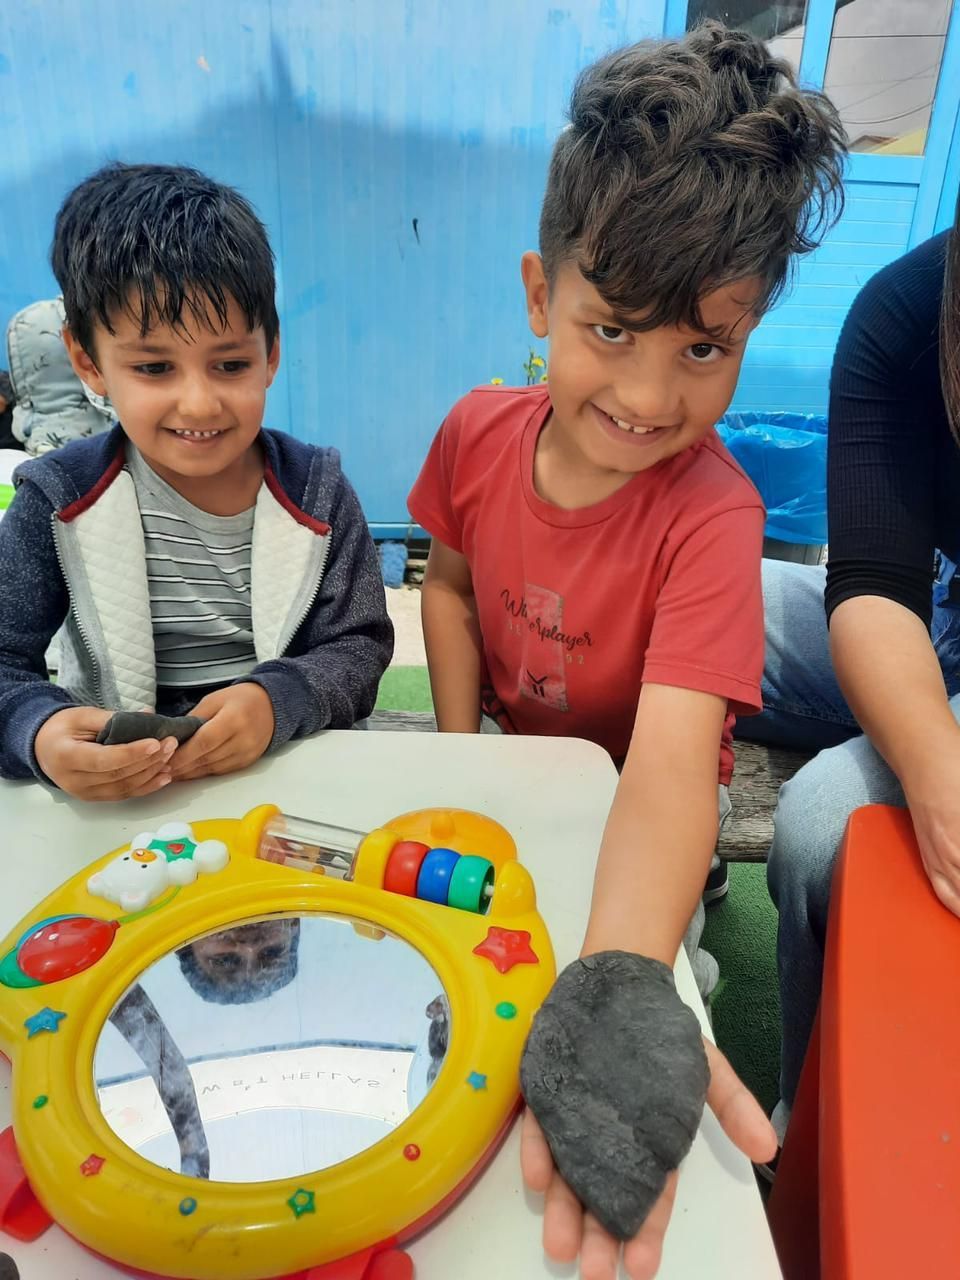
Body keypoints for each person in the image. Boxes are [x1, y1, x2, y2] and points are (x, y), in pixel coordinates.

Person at [408, 22, 845, 1278]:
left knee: (651, 997)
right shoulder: (474, 434)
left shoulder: (714, 516)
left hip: (650, 823)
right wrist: (464, 754)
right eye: (611, 331)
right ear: (540, 296)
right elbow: (447, 587)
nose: (652, 399)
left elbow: (667, 766)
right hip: (515, 779)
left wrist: (620, 971)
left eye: (705, 349)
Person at [0, 163, 393, 799]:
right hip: (125, 803)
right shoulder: (57, 500)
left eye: (230, 364)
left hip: (288, 780)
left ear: (271, 353)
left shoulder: (317, 493)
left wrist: (277, 701)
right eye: (155, 368)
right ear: (87, 362)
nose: (200, 403)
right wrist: (39, 732)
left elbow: (359, 646)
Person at [754, 192, 960, 1145]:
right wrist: (935, 765)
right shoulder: (905, 310)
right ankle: (810, 1136)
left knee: (822, 827)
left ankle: (812, 1132)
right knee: (676, 606)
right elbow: (875, 584)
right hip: (931, 610)